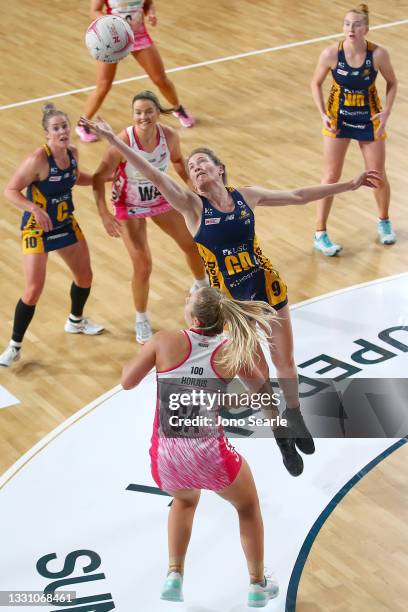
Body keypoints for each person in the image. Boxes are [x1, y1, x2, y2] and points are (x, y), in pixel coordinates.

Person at [80, 115, 381, 476]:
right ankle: (279, 432)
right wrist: (115, 139)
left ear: (219, 169)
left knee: (285, 362)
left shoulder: (247, 197)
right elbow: (157, 174)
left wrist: (348, 185)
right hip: (233, 305)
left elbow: (299, 196)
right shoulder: (193, 207)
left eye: (201, 163)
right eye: (191, 168)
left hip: (265, 286)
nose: (195, 168)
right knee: (257, 376)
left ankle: (295, 416)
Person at [121, 286, 280, 607]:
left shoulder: (163, 340)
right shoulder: (231, 351)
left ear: (193, 316)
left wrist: (146, 356)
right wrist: (232, 400)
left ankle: (174, 574)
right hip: (211, 455)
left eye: (188, 299)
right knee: (247, 507)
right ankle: (257, 584)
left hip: (166, 457)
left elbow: (127, 381)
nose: (185, 300)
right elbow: (265, 396)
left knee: (183, 502)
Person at [92, 90, 208, 344]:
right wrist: (103, 213)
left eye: (148, 111)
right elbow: (99, 177)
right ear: (133, 115)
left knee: (192, 243)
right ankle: (141, 318)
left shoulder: (169, 136)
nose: (143, 116)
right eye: (138, 112)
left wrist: (191, 185)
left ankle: (202, 285)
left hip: (159, 197)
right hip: (128, 204)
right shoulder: (123, 140)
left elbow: (178, 161)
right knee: (143, 266)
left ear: (157, 112)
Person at [0, 104, 104, 368]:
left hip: (65, 223)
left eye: (65, 126)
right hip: (37, 228)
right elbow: (10, 190)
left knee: (85, 276)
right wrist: (33, 208)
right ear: (47, 134)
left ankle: (76, 321)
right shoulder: (38, 160)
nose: (62, 131)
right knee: (33, 290)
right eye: (56, 128)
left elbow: (75, 177)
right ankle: (14, 346)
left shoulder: (73, 153)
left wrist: (104, 178)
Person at [310, 3, 397, 255]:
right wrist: (322, 114)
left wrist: (387, 111)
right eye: (347, 24)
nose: (351, 28)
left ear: (366, 29)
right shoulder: (330, 54)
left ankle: (384, 222)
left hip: (369, 120)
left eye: (356, 24)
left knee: (377, 174)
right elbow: (315, 84)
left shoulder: (378, 54)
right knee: (330, 177)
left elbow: (392, 82)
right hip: (338, 122)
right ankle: (320, 233)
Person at [76, 0, 195, 143]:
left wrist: (150, 13)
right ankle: (83, 124)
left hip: (139, 37)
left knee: (160, 79)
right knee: (103, 85)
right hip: (112, 40)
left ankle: (178, 109)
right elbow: (94, 11)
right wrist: (113, 22)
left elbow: (148, 4)